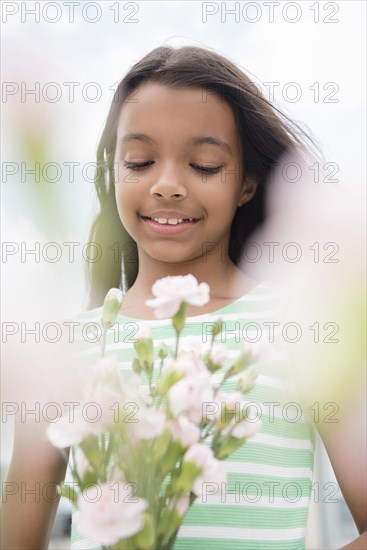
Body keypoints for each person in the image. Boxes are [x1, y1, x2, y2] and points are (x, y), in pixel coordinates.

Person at [1, 45, 365, 550]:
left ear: (247, 183)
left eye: (205, 165)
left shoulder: (300, 326)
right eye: (140, 161)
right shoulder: (63, 351)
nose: (167, 185)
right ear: (115, 172)